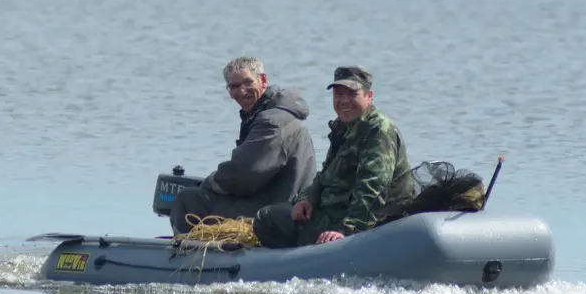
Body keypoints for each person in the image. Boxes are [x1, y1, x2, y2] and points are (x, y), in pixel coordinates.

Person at [252, 65, 416, 248]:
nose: (344, 101)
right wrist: (307, 198)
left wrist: (348, 230)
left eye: (352, 94)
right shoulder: (344, 128)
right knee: (272, 214)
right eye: (338, 95)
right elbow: (325, 175)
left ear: (369, 96)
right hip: (334, 211)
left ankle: (304, 256)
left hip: (363, 221)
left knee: (268, 220)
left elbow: (372, 187)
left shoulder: (378, 130)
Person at [169, 56, 317, 235]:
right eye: (234, 86)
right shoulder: (266, 113)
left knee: (188, 199)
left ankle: (186, 256)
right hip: (273, 200)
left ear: (263, 80)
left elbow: (244, 173)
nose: (242, 91)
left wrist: (208, 184)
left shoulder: (273, 121)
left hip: (275, 209)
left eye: (247, 82)